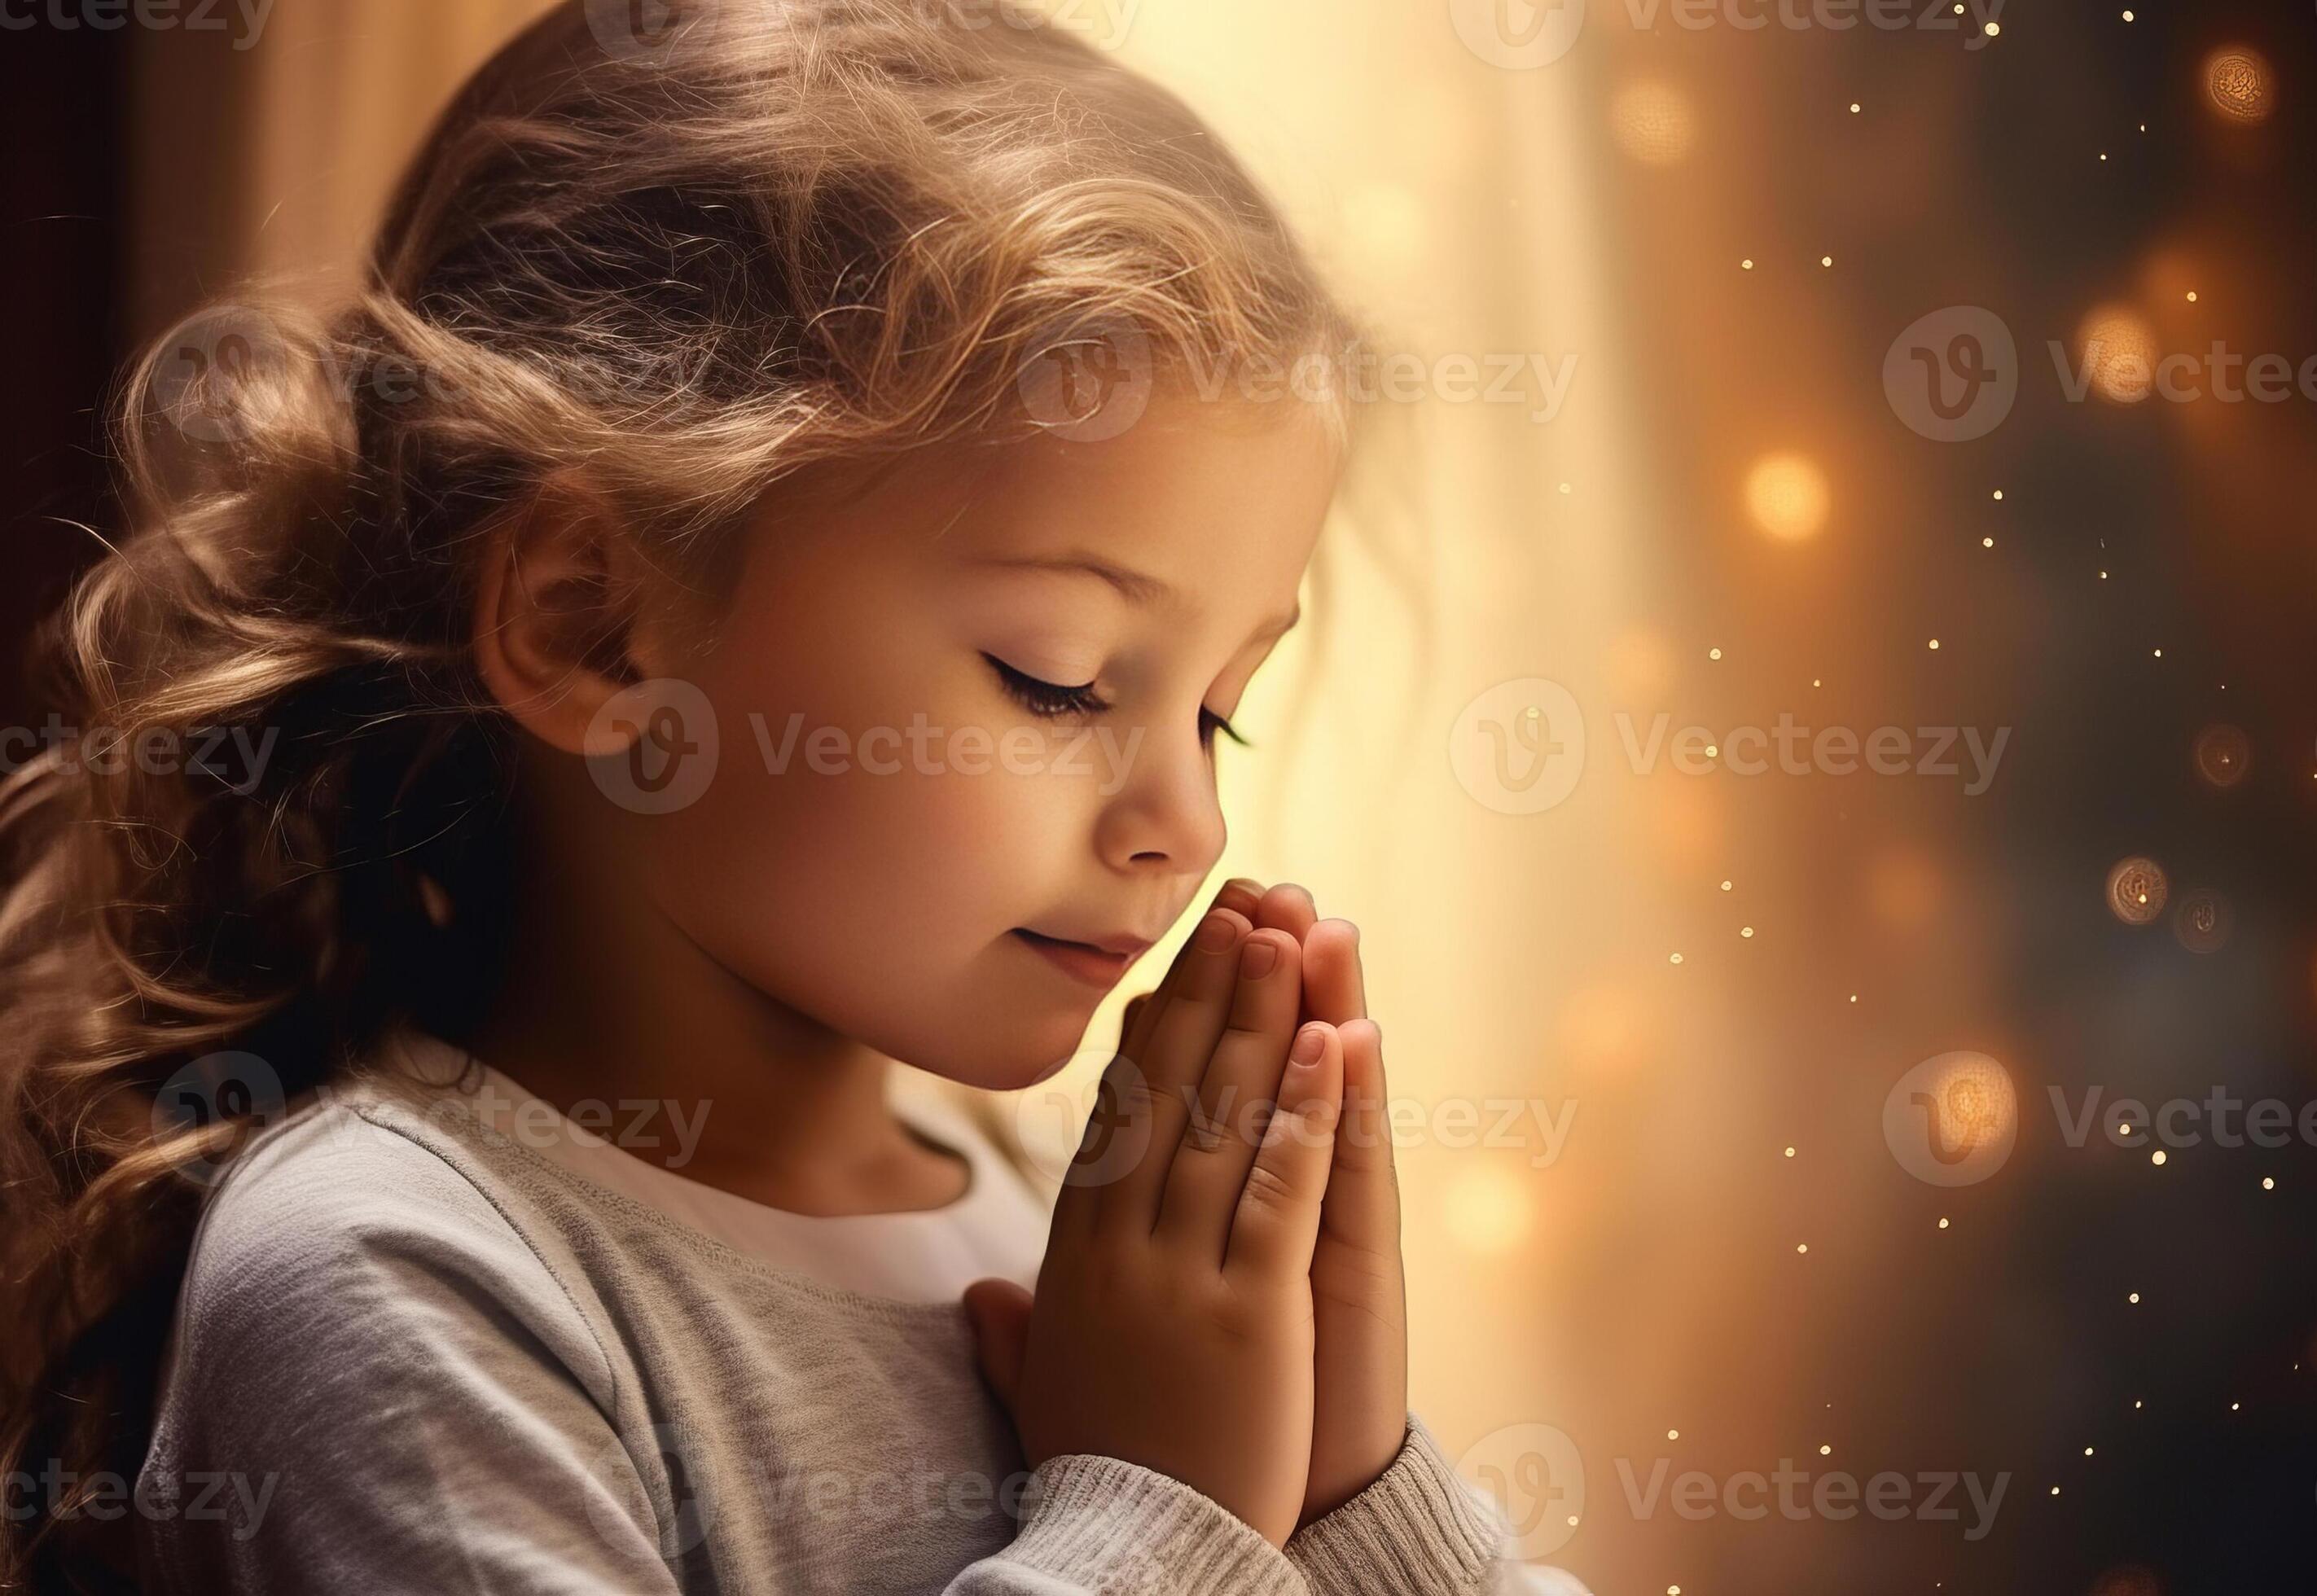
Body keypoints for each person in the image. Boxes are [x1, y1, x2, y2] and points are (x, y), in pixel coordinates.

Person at [0, 2, 1587, 1590]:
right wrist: (1162, 1522)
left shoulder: (1083, 1246)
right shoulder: (398, 1279)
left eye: (1222, 714)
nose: (1187, 823)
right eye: (1062, 675)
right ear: (594, 626)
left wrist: (1354, 1493)